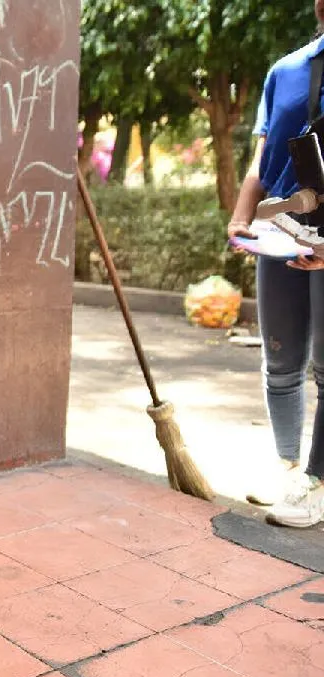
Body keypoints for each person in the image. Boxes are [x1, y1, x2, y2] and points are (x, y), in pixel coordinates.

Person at [229, 5, 324, 527]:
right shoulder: (285, 72)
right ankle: (290, 471)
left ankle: (316, 482)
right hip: (282, 234)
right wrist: (243, 217)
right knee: (282, 363)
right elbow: (263, 161)